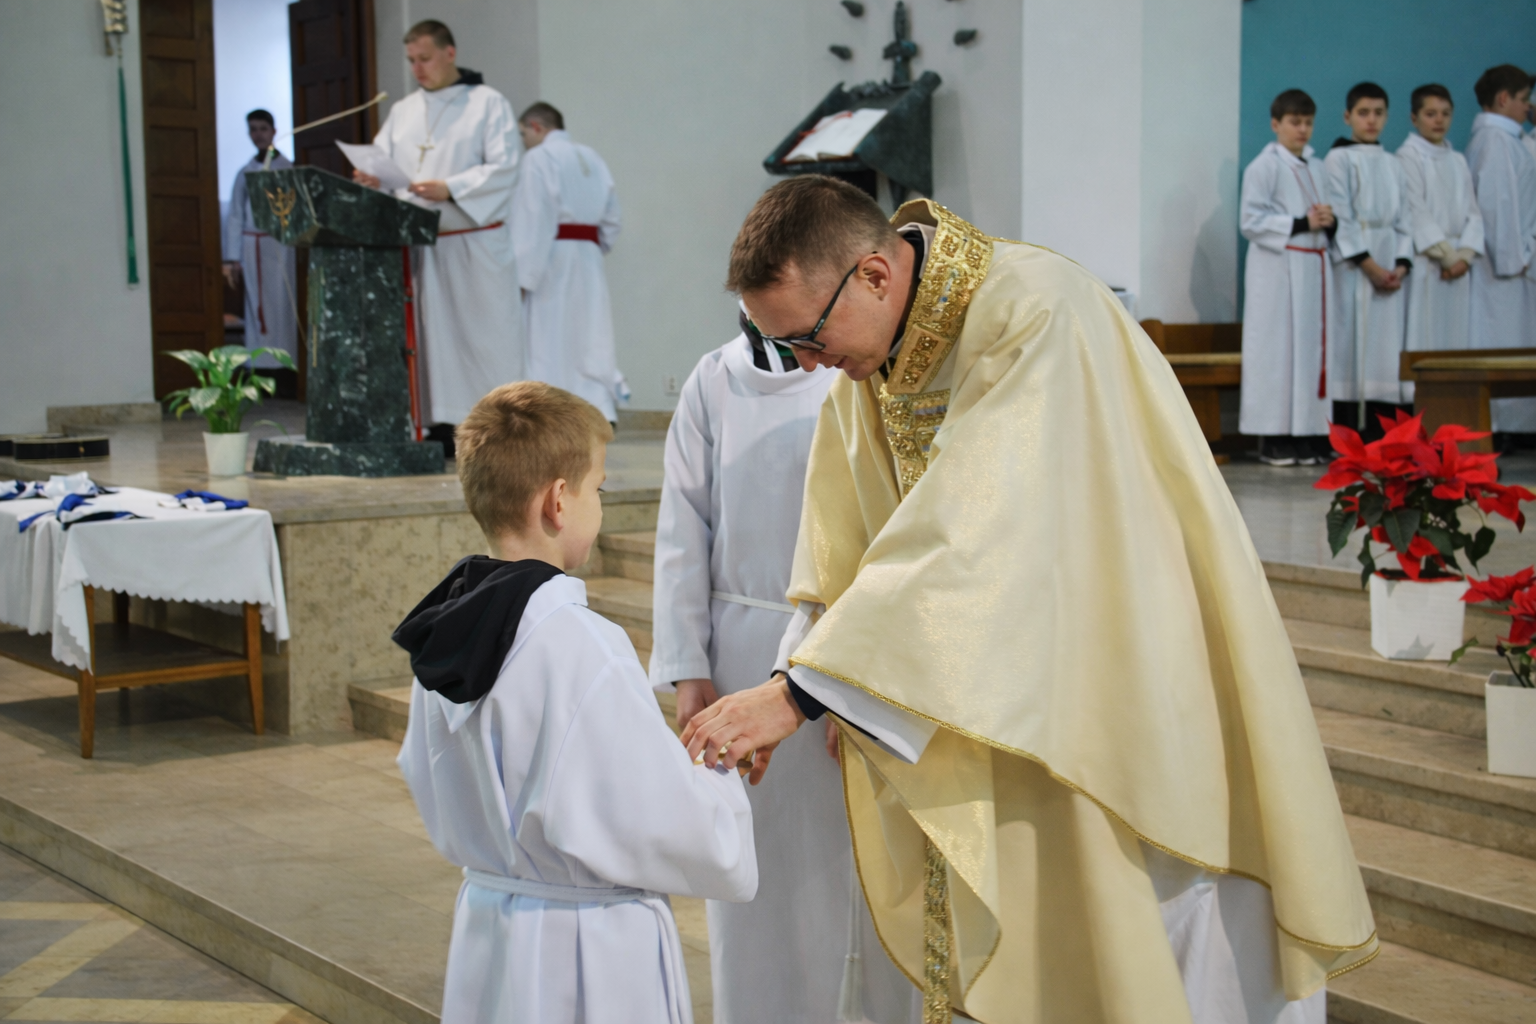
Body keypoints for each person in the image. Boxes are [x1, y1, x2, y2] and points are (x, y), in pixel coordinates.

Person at [681, 176, 1377, 1024]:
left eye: (807, 338)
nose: (805, 364)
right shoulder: (871, 360)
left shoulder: (1035, 312)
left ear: (873, 274)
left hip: (1123, 674)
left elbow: (976, 528)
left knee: (1160, 924)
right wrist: (806, 681)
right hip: (1010, 690)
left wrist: (801, 694)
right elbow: (845, 549)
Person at [394, 381, 756, 1024]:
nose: (599, 506)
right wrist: (718, 766)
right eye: (599, 489)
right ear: (559, 500)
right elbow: (665, 822)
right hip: (588, 947)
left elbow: (425, 773)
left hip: (490, 922)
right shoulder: (584, 645)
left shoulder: (443, 633)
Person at [648, 310, 917, 1023]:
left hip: (832, 650)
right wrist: (687, 666)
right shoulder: (713, 379)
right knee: (757, 874)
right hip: (738, 657)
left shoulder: (854, 373)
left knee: (844, 877)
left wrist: (848, 686)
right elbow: (682, 528)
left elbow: (879, 527)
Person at [355, 20, 522, 453]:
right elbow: (385, 164)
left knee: (484, 339)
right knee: (432, 345)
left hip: (474, 244)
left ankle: (496, 432)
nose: (417, 69)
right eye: (411, 60)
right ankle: (440, 427)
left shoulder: (487, 103)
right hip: (422, 247)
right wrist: (374, 179)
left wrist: (450, 187)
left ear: (450, 53)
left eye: (425, 58)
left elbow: (505, 166)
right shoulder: (403, 110)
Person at [510, 102, 626, 422]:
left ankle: (550, 412)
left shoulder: (538, 158)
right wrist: (593, 247)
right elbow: (612, 219)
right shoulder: (592, 157)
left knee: (548, 335)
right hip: (589, 257)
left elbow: (533, 217)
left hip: (551, 257)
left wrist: (522, 276)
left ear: (536, 127)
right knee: (589, 334)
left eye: (523, 134)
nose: (524, 142)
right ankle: (596, 407)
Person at [1238, 89, 1336, 467]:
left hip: (1312, 267)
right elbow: (1251, 221)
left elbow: (1324, 215)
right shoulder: (1263, 167)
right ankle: (1274, 438)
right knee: (1277, 353)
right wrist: (1301, 223)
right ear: (1275, 124)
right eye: (1295, 122)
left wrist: (1329, 220)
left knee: (1309, 353)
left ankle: (1307, 434)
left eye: (1308, 122)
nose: (1303, 130)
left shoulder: (1317, 166)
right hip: (1278, 270)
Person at [1325, 82, 1414, 437]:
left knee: (1385, 350)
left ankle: (1386, 432)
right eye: (1363, 113)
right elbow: (1340, 217)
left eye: (1378, 113)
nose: (1371, 120)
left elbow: (1405, 218)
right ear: (1348, 116)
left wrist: (1400, 266)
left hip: (1389, 262)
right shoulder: (1338, 159)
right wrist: (1372, 268)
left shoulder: (1393, 163)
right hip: (1356, 267)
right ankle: (1351, 430)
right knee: (1353, 345)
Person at [1468, 65, 1536, 434]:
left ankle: (1516, 424)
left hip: (1519, 258)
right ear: (1503, 98)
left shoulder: (1509, 139)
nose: (1529, 107)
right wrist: (1516, 258)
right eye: (1524, 99)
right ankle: (1502, 425)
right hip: (1505, 266)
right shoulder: (1495, 141)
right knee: (1502, 342)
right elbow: (1496, 206)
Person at [1397, 84, 1484, 368]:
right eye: (1430, 114)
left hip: (1458, 264)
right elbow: (1416, 211)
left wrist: (1465, 257)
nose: (1439, 120)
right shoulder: (1408, 156)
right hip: (1431, 260)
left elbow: (1473, 212)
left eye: (1445, 114)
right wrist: (1448, 257)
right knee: (1425, 335)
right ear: (1414, 118)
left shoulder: (1457, 160)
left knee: (1455, 338)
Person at [223, 109, 297, 377]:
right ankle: (259, 365)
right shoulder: (245, 172)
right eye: (253, 129)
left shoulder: (286, 168)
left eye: (263, 129)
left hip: (279, 246)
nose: (258, 135)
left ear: (274, 131)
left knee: (282, 303)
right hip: (252, 245)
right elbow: (235, 215)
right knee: (257, 305)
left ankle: (285, 364)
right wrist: (232, 258)